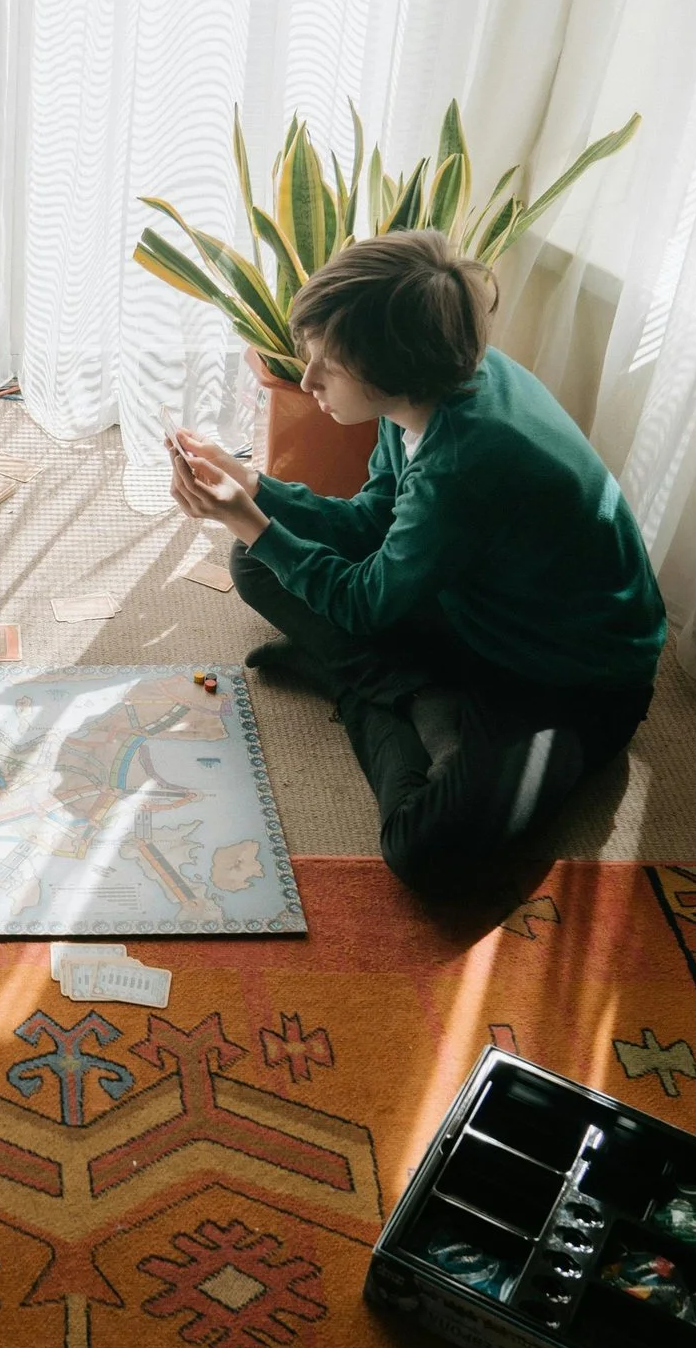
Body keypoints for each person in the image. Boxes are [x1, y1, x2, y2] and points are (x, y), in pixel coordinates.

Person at [166, 229, 664, 898]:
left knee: (422, 849)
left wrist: (251, 519)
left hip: (566, 681)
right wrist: (257, 492)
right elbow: (378, 518)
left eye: (328, 367)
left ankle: (385, 689)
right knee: (256, 560)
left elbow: (363, 603)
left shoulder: (463, 462)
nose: (306, 379)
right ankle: (408, 685)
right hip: (476, 600)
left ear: (388, 369)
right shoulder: (431, 385)